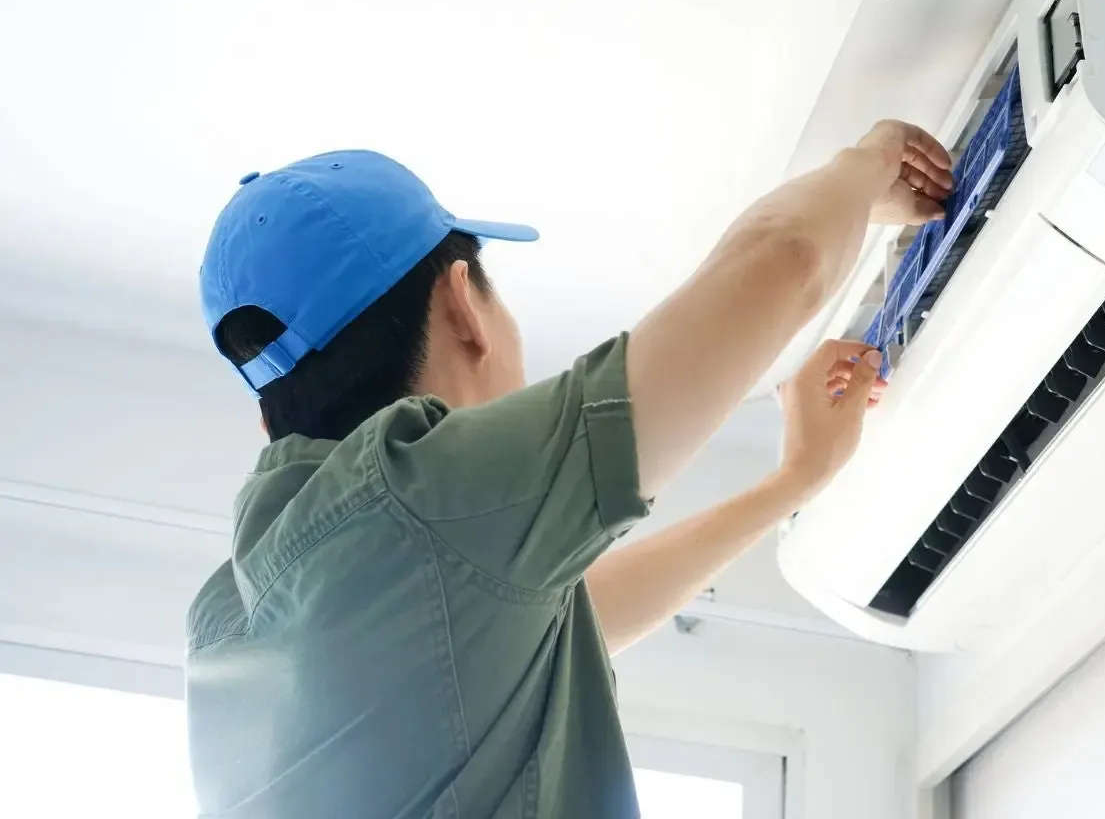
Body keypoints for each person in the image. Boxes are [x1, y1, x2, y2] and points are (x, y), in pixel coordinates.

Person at [185, 120, 953, 818]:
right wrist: (866, 167)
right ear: (463, 307)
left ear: (268, 415)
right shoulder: (421, 499)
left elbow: (566, 607)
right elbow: (780, 266)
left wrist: (792, 482)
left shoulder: (232, 621)